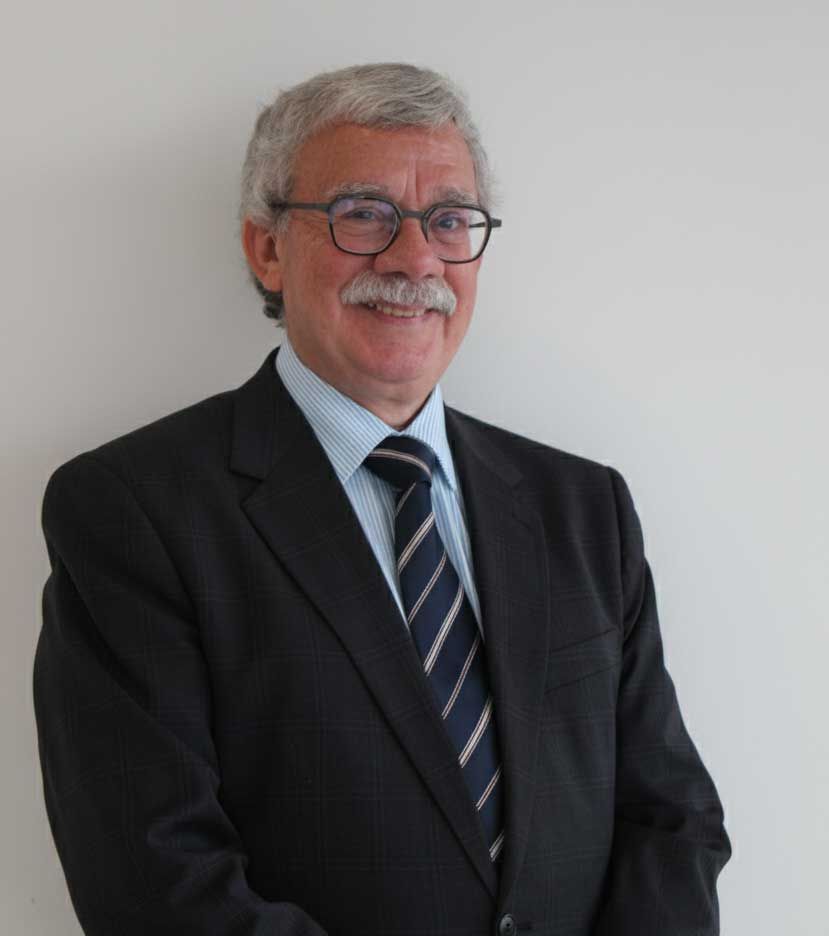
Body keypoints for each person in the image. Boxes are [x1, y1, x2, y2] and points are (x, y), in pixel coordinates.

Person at [33, 63, 731, 936]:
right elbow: (153, 879)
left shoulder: (583, 507)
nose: (415, 259)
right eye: (363, 213)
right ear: (266, 247)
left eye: (449, 219)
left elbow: (670, 818)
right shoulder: (134, 510)